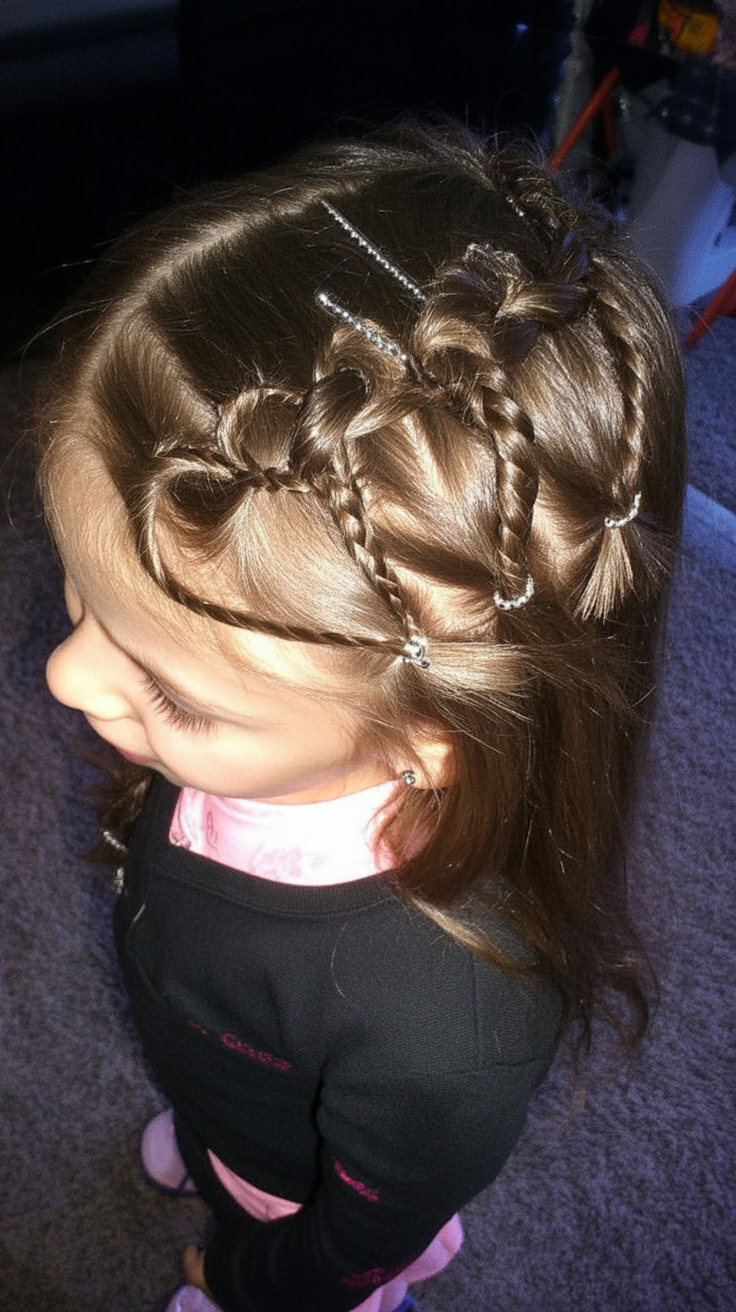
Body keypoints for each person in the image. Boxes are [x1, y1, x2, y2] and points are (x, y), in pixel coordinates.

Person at [38, 123, 686, 1312]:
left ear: (424, 741)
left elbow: (364, 1231)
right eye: (83, 597)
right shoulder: (270, 726)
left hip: (311, 1222)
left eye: (169, 690)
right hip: (233, 1086)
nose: (66, 678)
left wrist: (253, 1271)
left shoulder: (444, 1027)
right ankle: (221, 1142)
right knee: (223, 1097)